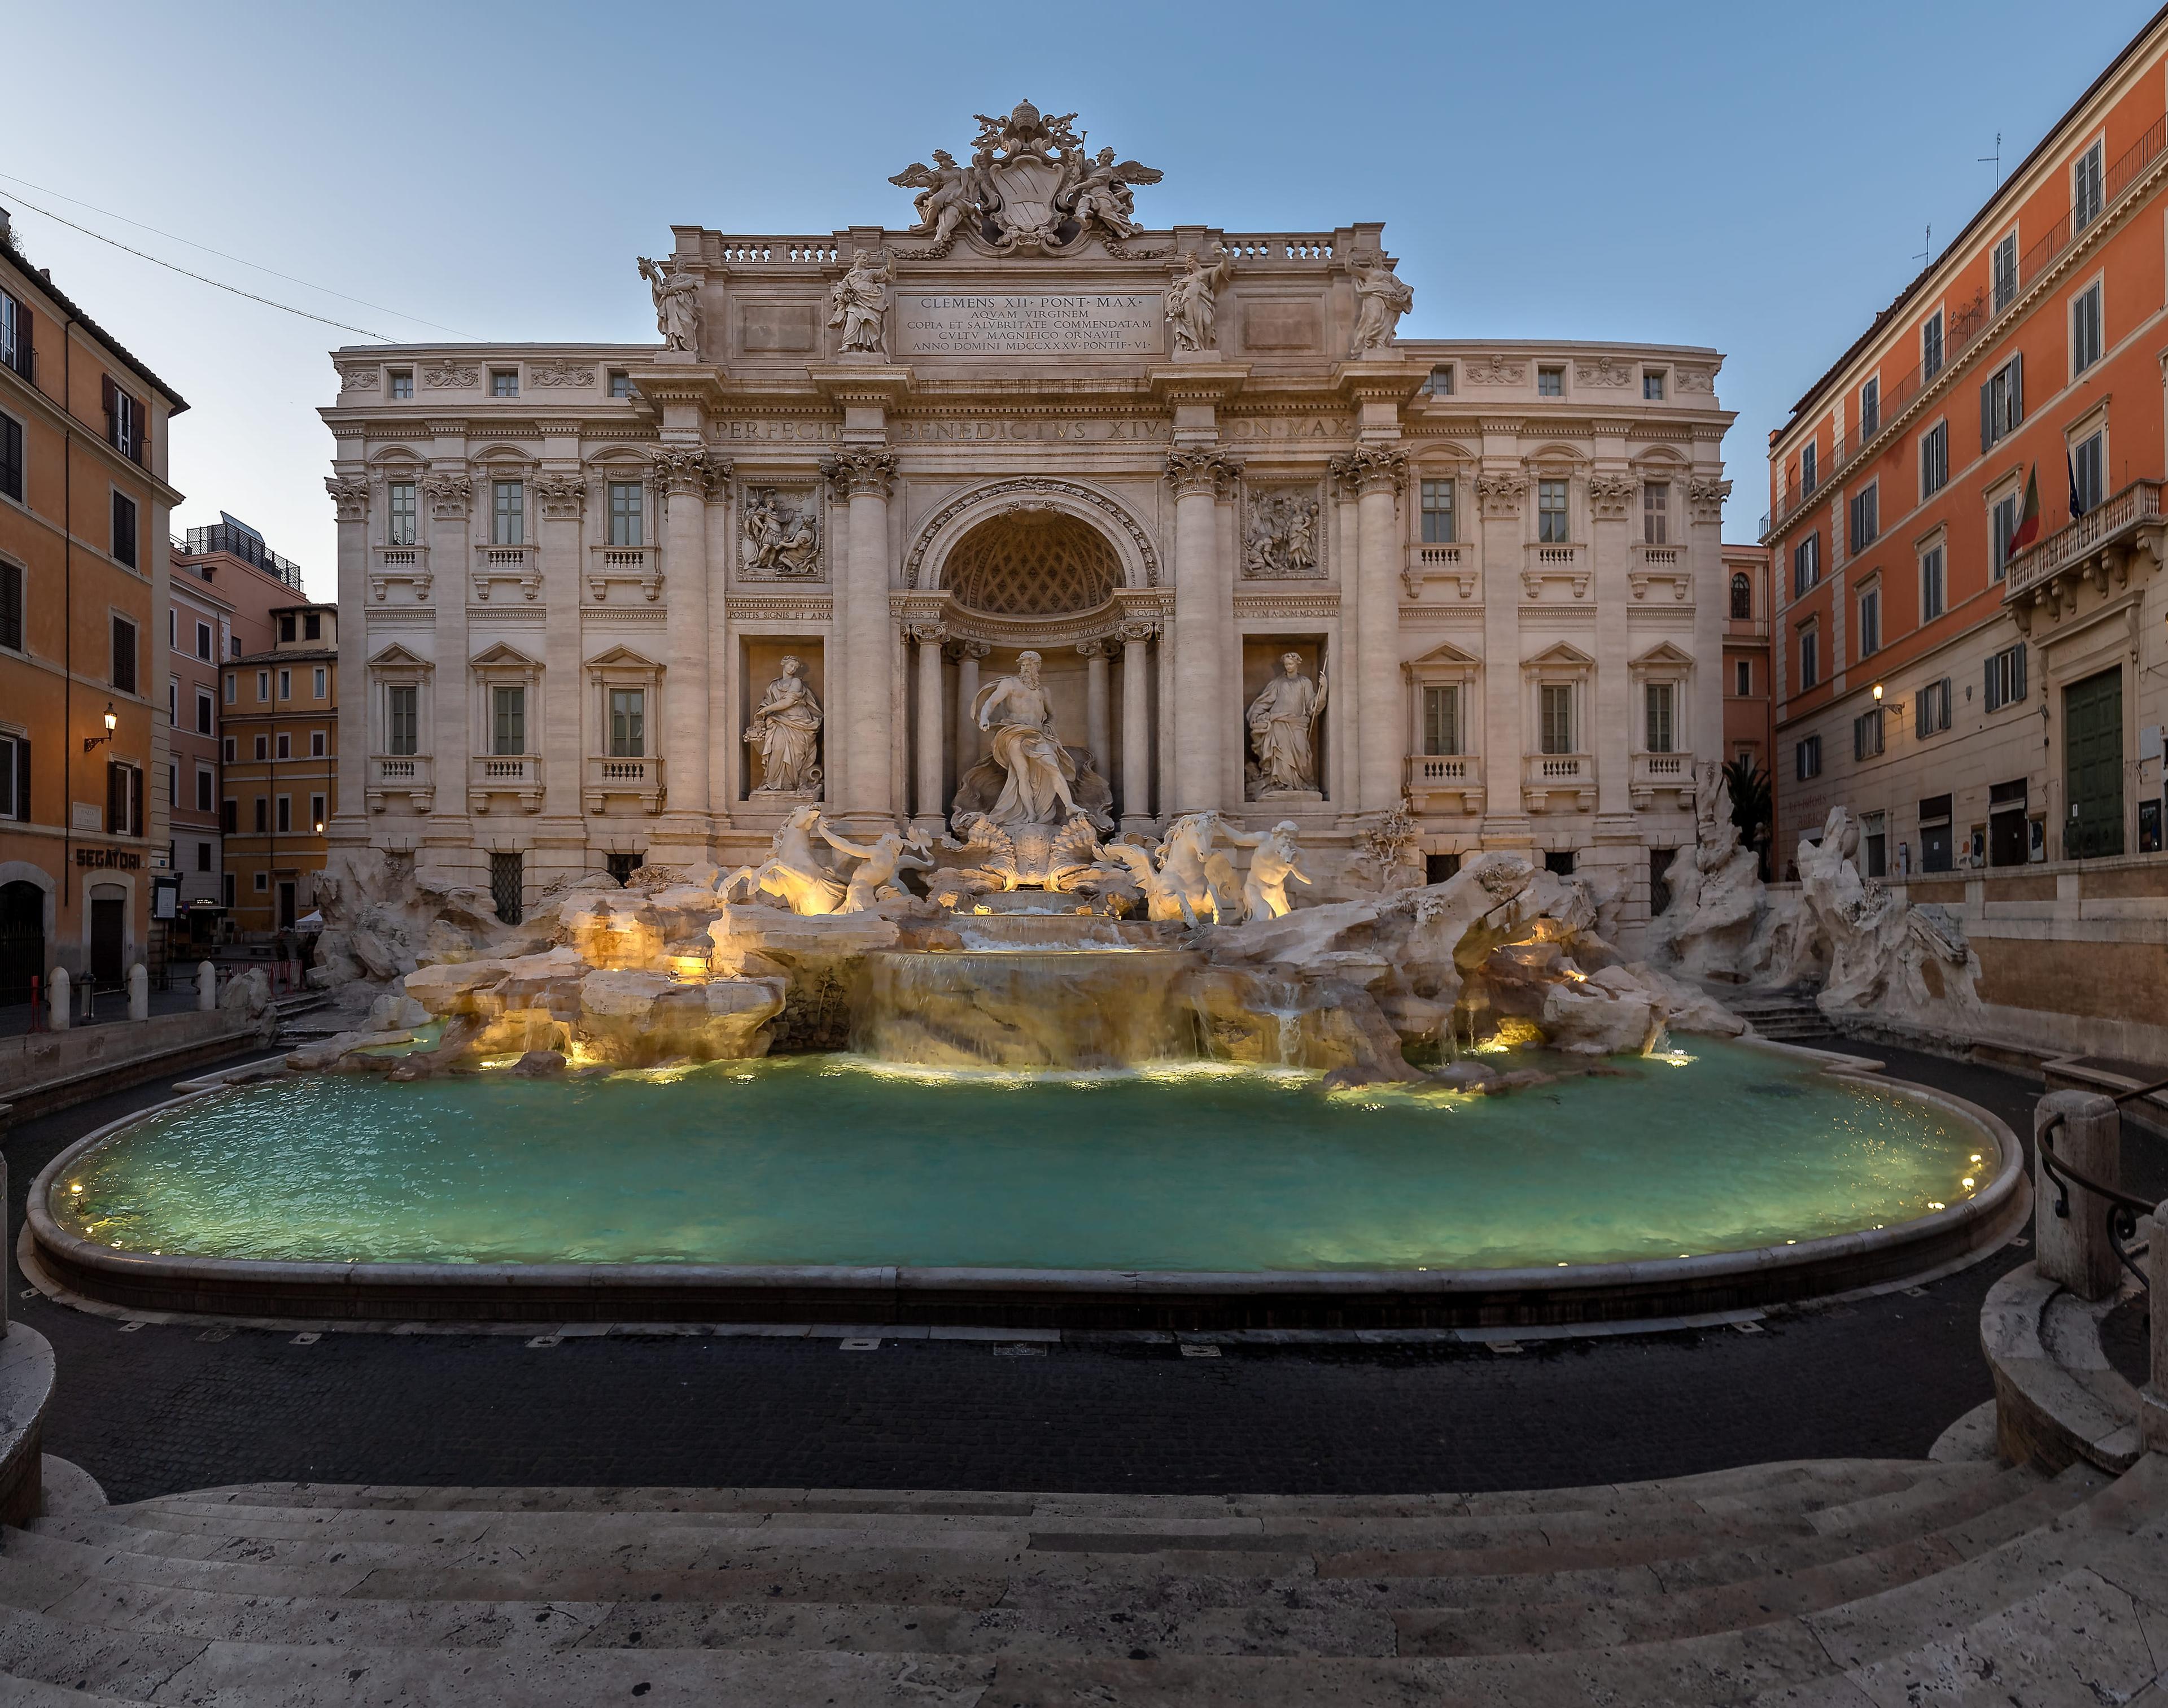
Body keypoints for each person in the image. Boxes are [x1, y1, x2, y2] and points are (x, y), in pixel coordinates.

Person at [974, 650, 1082, 825]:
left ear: (1037, 667)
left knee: (1053, 766)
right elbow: (991, 702)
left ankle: (1069, 805)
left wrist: (1049, 727)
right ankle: (1030, 815)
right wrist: (985, 717)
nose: (1026, 668)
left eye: (1030, 664)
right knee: (1022, 774)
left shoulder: (1043, 691)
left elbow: (1052, 714)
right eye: (1023, 664)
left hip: (1037, 735)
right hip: (1014, 732)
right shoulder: (1010, 684)